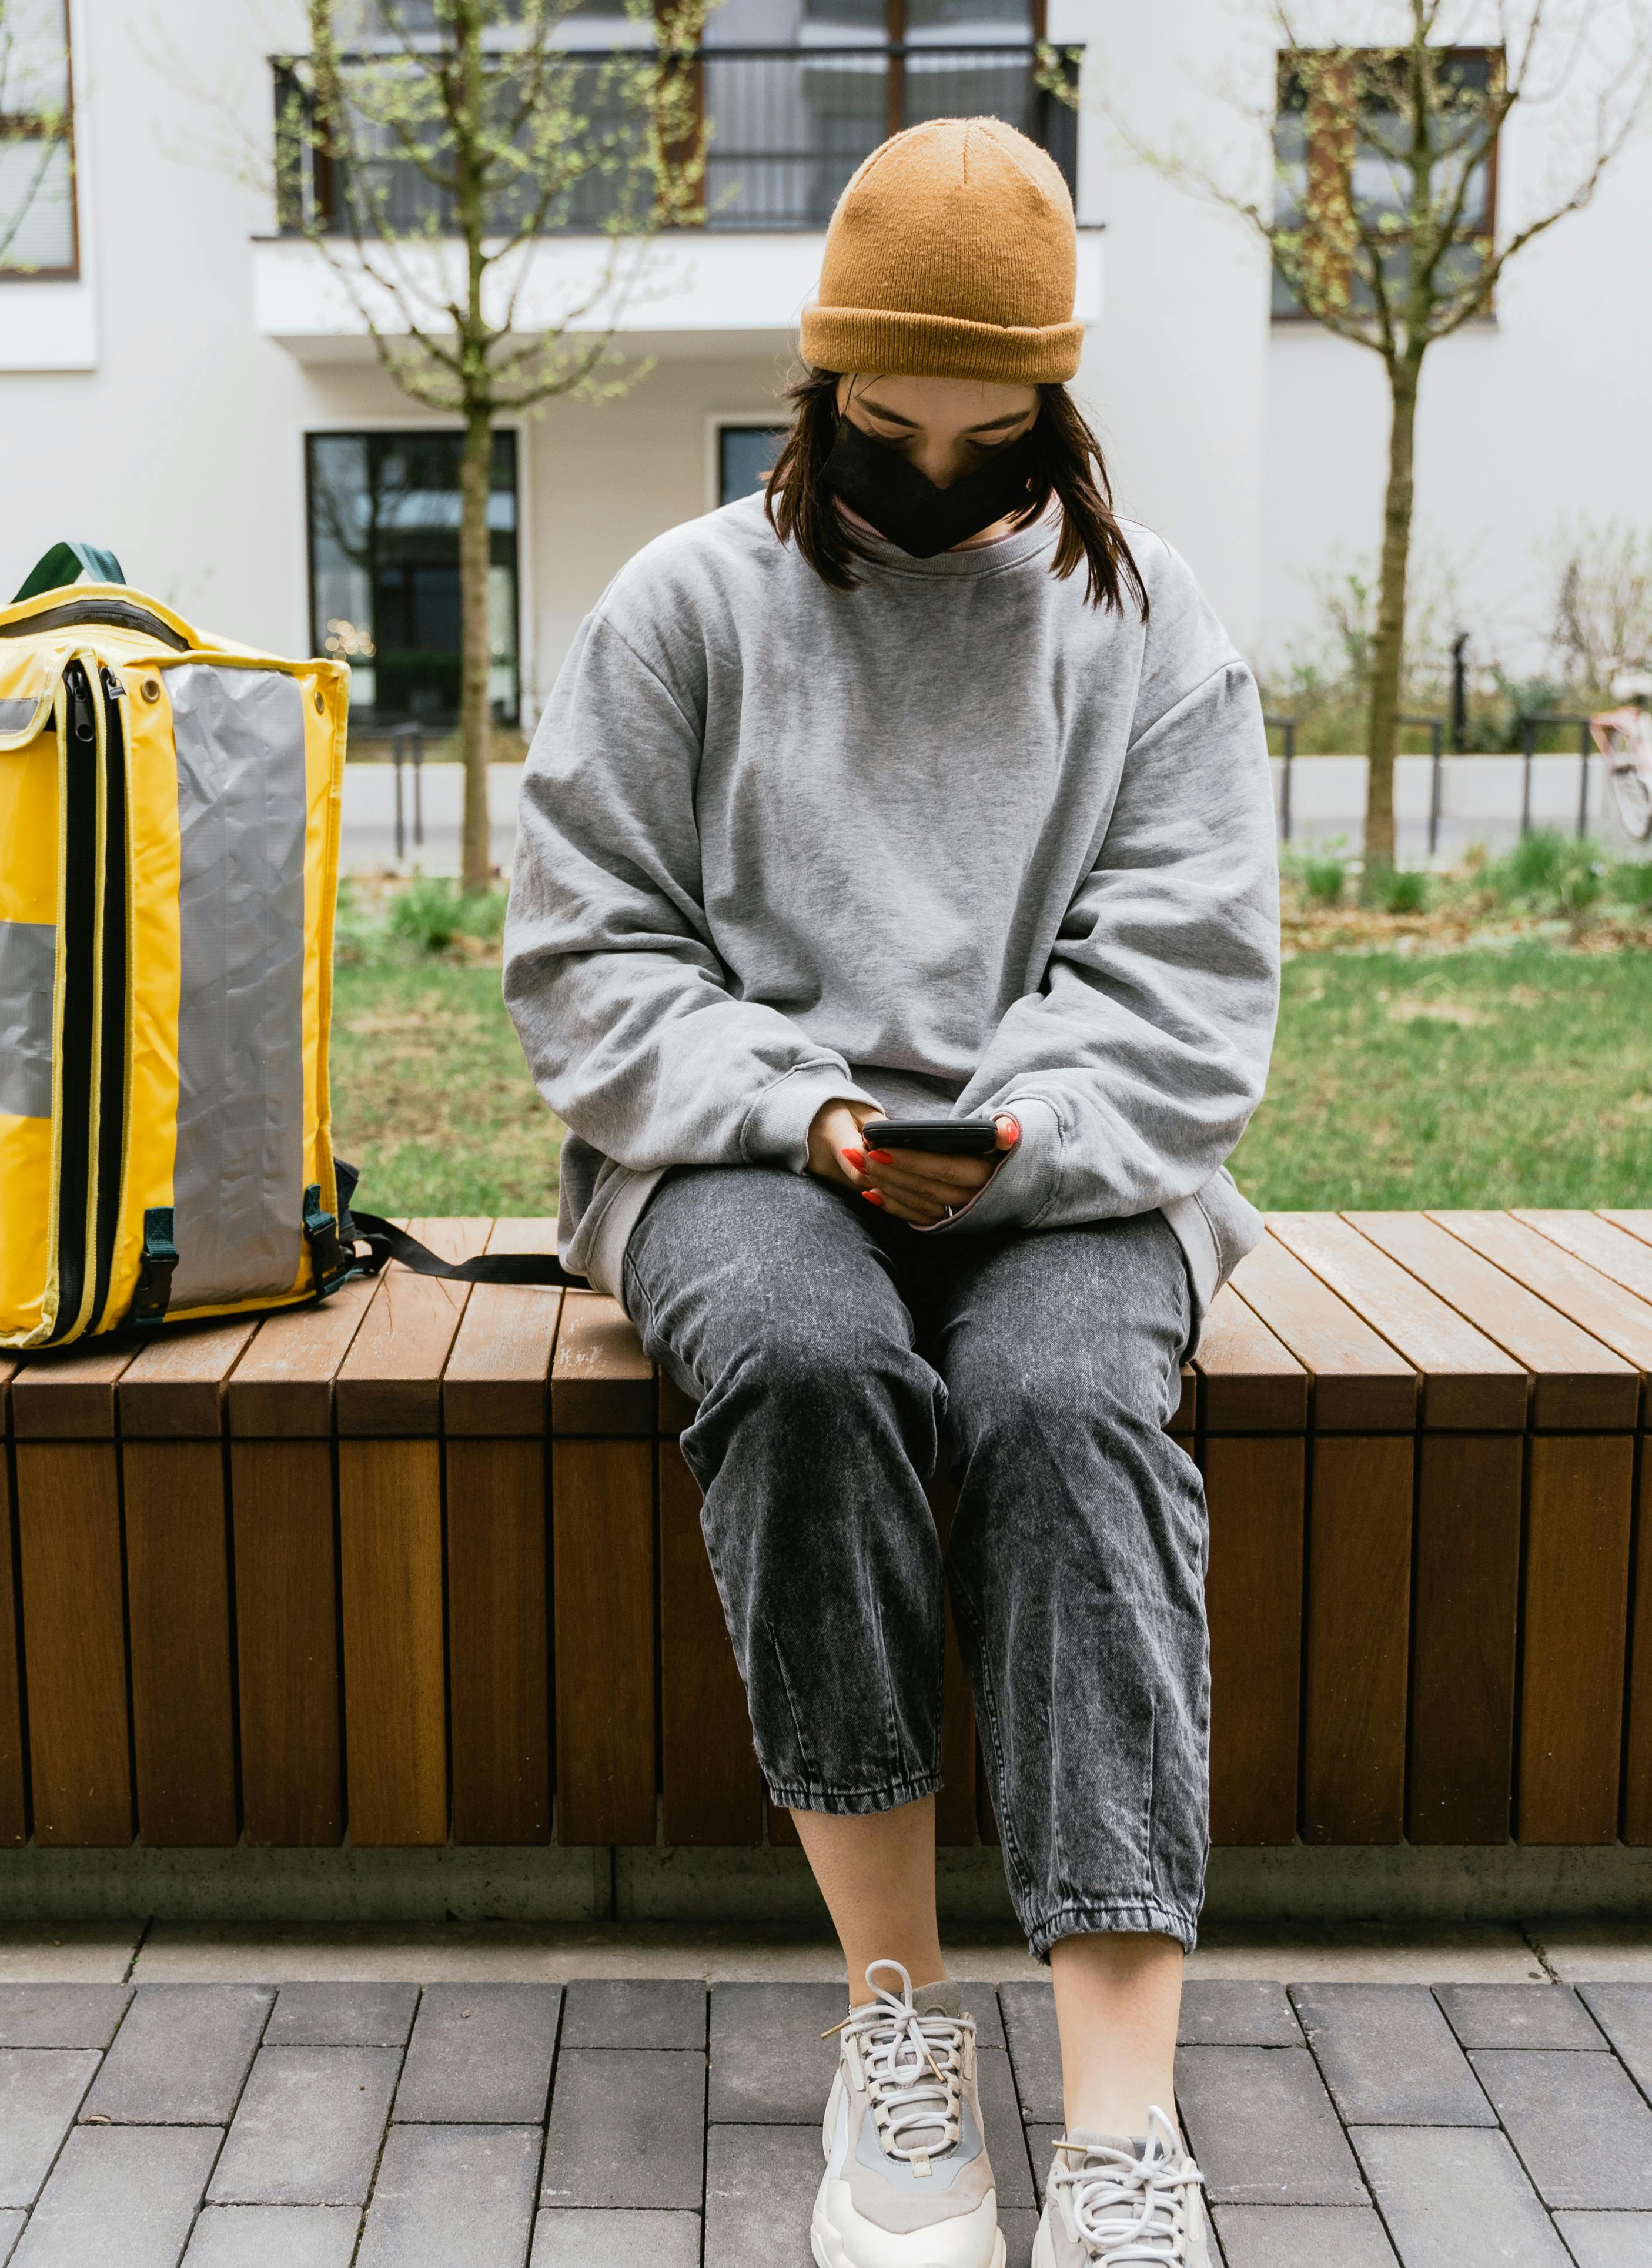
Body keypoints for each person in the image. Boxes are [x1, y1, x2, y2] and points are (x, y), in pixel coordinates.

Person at [503, 114, 1281, 2268]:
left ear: (1058, 411)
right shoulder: (684, 608)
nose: (934, 473)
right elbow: (587, 959)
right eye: (888, 425)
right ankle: (899, 2021)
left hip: (1077, 1162)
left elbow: (1190, 981)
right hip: (743, 1155)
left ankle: (1120, 2130)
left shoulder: (1150, 630)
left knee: (1065, 1406)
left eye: (990, 434)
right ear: (818, 382)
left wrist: (1014, 1131)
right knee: (803, 1352)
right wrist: (807, 1113)